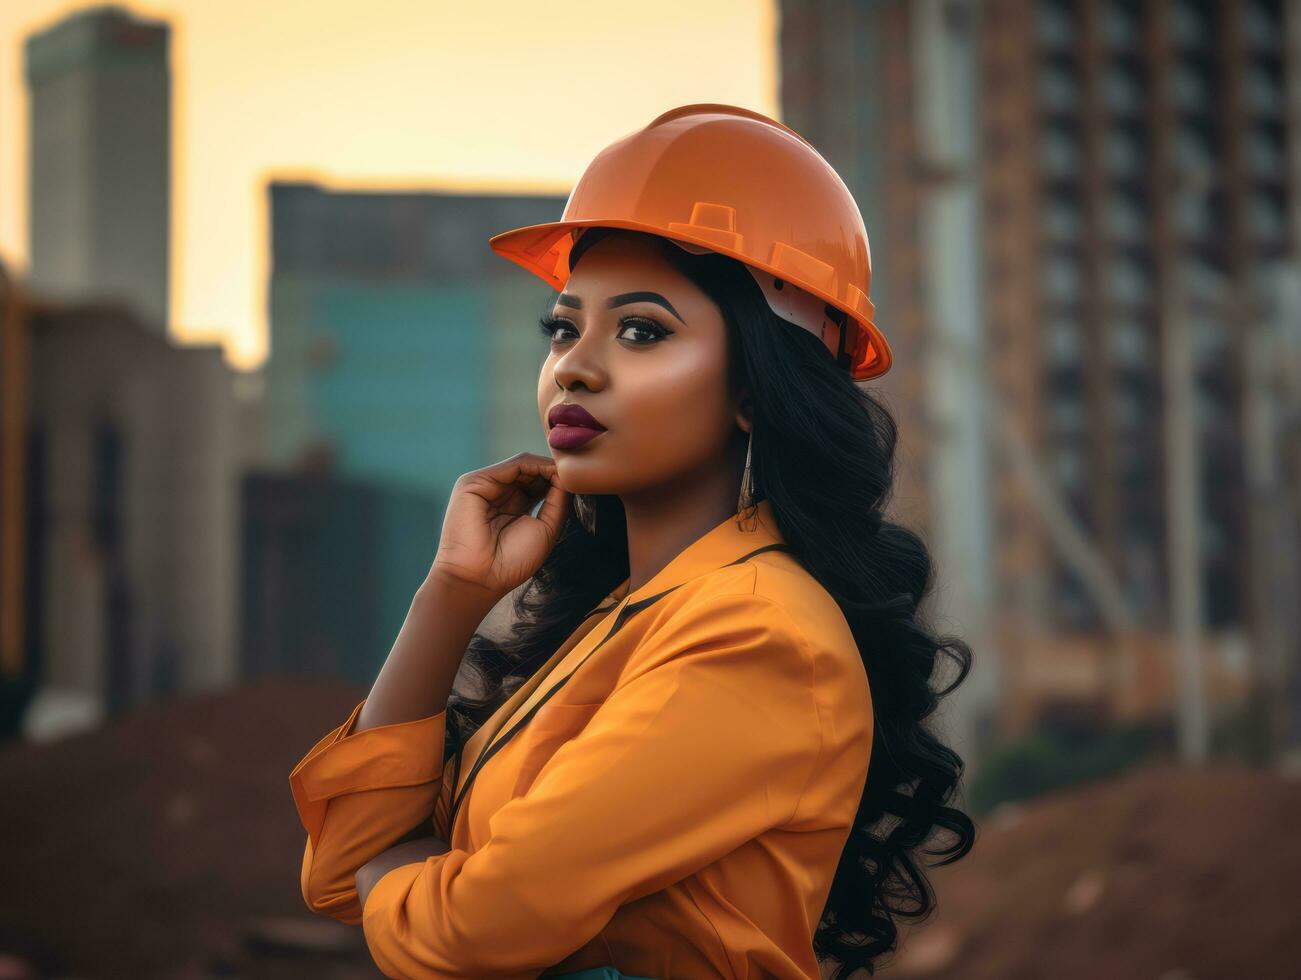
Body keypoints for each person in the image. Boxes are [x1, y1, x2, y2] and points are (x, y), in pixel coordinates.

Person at [288, 103, 975, 979]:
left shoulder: (758, 637)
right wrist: (452, 594)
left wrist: (394, 866)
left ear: (757, 390)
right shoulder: (629, 616)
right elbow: (342, 865)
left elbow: (466, 932)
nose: (575, 363)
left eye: (642, 330)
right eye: (564, 326)